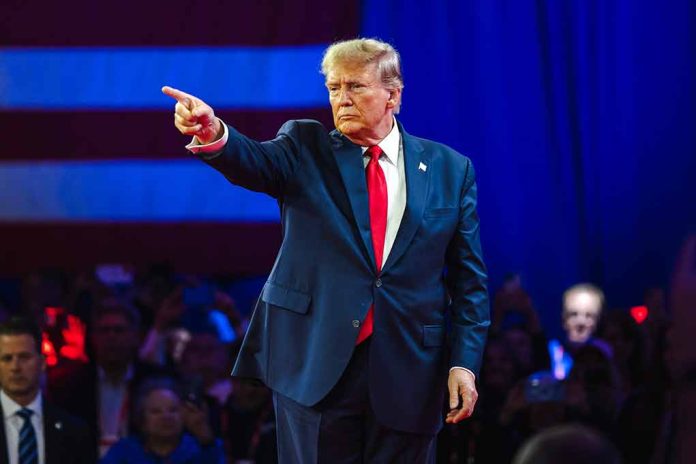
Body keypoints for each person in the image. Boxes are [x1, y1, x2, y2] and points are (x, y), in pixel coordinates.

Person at [162, 37, 490, 462]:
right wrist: (215, 134)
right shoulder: (305, 146)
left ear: (393, 94)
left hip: (409, 369)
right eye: (334, 88)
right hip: (316, 365)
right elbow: (254, 162)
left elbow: (469, 282)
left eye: (355, 86)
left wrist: (463, 364)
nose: (342, 99)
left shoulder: (450, 168)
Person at [0, 316, 92, 464]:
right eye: (7, 359)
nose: (15, 367)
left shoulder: (73, 431)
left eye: (24, 357)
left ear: (42, 363)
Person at [100, 378, 224, 464]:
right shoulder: (123, 452)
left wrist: (207, 441)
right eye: (156, 411)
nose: (166, 417)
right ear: (142, 419)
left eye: (173, 410)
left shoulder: (201, 449)